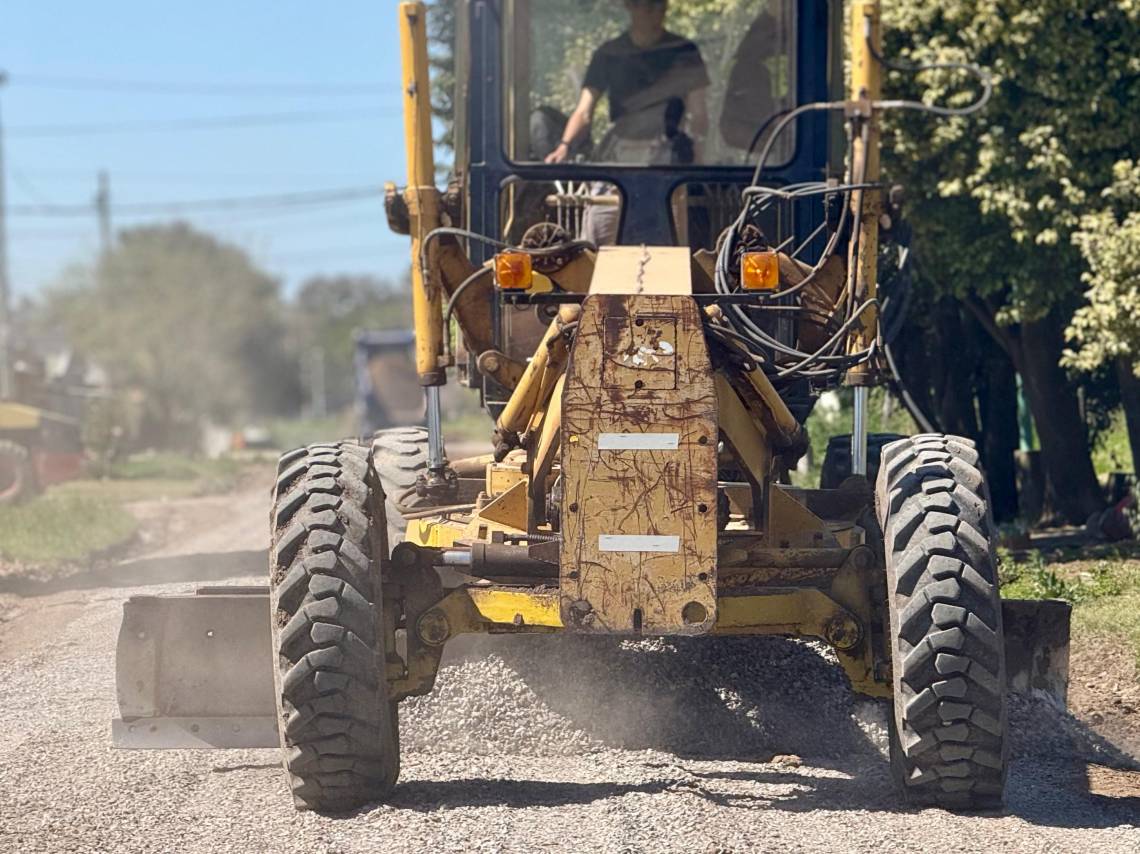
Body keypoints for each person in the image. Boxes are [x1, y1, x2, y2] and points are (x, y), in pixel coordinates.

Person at [545, 0, 710, 166]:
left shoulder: (684, 52)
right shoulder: (609, 54)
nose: (657, 12)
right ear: (630, 6)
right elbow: (584, 111)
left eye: (661, 5)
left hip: (668, 155)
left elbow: (698, 113)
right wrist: (564, 146)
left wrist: (697, 155)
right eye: (649, 5)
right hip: (620, 156)